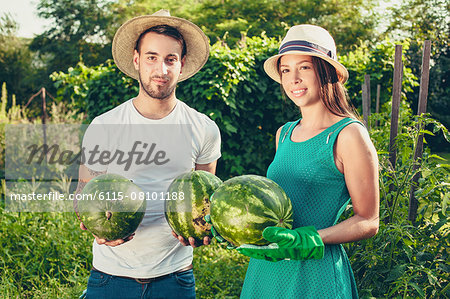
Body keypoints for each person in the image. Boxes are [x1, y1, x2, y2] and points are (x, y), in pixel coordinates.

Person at [75, 9, 221, 299]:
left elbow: (205, 201)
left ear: (181, 65)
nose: (161, 70)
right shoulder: (105, 126)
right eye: (152, 57)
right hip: (110, 277)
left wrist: (202, 231)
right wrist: (92, 223)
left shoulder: (204, 128)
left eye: (170, 59)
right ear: (137, 59)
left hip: (175, 278)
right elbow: (84, 192)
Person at [234, 25, 379, 298]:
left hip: (315, 275)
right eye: (286, 70)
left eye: (304, 68)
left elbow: (369, 220)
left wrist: (309, 239)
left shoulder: (348, 134)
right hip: (267, 269)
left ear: (327, 72)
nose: (293, 79)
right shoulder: (284, 133)